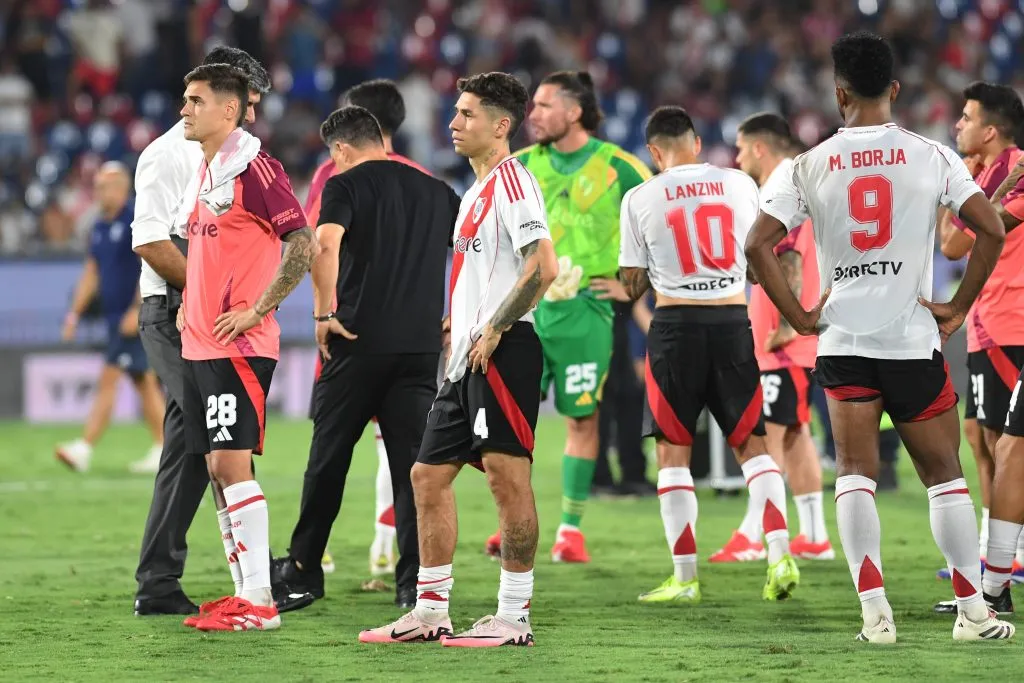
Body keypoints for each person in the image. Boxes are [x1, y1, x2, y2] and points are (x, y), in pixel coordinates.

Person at [746, 31, 1013, 643]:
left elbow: (757, 244)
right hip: (912, 338)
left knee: (854, 474)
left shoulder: (807, 164)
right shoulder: (932, 155)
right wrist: (957, 306)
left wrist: (801, 317)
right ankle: (973, 613)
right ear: (894, 88)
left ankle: (876, 617)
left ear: (839, 94)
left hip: (842, 341)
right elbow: (992, 230)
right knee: (944, 475)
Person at [359, 71, 557, 647]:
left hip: (504, 351)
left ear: (501, 125)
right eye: (456, 112)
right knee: (426, 476)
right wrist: (462, 319)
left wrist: (495, 323)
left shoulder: (514, 182)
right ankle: (430, 611)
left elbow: (542, 267)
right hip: (467, 356)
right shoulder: (475, 191)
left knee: (506, 479)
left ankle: (514, 618)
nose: (453, 123)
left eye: (468, 114)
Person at [131, 47, 310, 617]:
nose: (254, 114)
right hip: (175, 312)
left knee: (210, 449)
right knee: (210, 449)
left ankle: (233, 586)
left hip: (219, 325)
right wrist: (201, 294)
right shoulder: (170, 155)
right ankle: (230, 582)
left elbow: (295, 241)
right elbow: (150, 239)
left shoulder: (240, 161)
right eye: (249, 102)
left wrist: (242, 305)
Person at [272, 105, 458, 610]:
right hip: (418, 350)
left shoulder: (344, 185)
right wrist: (460, 312)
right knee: (413, 469)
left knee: (328, 460)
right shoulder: (437, 191)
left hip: (356, 343)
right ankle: (413, 582)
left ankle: (304, 570)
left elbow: (324, 245)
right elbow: (473, 248)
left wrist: (322, 312)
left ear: (341, 149)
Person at [616, 105, 798, 605]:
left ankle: (685, 578)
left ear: (654, 152)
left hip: (675, 328)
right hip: (732, 322)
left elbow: (632, 284)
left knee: (672, 453)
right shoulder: (739, 184)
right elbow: (759, 259)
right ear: (696, 144)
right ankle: (780, 554)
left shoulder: (640, 197)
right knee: (753, 446)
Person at [484, 70, 652, 563]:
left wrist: (632, 287)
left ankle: (569, 532)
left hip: (586, 313)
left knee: (582, 418)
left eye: (542, 105)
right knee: (510, 425)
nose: (531, 115)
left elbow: (661, 226)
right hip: (525, 314)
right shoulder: (518, 167)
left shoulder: (620, 168)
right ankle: (513, 524)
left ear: (574, 112)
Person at [175, 63, 317, 632]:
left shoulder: (255, 168)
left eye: (196, 101)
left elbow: (302, 243)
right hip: (202, 343)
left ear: (229, 109)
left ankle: (260, 601)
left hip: (239, 344)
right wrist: (191, 301)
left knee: (233, 464)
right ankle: (242, 592)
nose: (184, 110)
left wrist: (259, 308)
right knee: (217, 465)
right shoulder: (209, 169)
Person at [302, 79, 430, 578]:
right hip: (411, 335)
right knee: (399, 445)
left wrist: (324, 310)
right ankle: (388, 546)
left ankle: (313, 554)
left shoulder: (333, 174)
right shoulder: (422, 178)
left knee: (331, 444)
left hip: (347, 328)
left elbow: (315, 244)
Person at [709, 113, 834, 563]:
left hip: (783, 343)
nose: (738, 157)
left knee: (766, 437)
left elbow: (790, 258)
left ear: (760, 148)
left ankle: (751, 534)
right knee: (796, 435)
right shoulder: (798, 181)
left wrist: (783, 329)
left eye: (742, 148)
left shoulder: (785, 185)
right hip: (791, 342)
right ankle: (815, 536)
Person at [933, 82, 1024, 601]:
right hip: (985, 320)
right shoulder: (982, 173)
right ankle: (996, 552)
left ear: (990, 130)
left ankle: (1006, 561)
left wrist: (963, 191)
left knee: (1006, 443)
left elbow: (956, 242)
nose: (957, 125)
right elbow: (951, 244)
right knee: (980, 437)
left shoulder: (1018, 170)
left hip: (1012, 322)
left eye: (966, 118)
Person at [57, 162, 165, 474]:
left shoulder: (134, 219)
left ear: (120, 188)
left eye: (104, 187)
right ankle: (163, 447)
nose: (98, 192)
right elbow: (91, 273)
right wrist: (74, 314)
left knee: (110, 378)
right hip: (114, 317)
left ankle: (84, 447)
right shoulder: (99, 227)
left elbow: (151, 264)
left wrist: (138, 308)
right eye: (97, 187)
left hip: (132, 317)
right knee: (144, 382)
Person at [981, 151, 1024, 611]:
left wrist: (1006, 183)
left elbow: (983, 226)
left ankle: (994, 586)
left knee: (1012, 448)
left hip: (1004, 322)